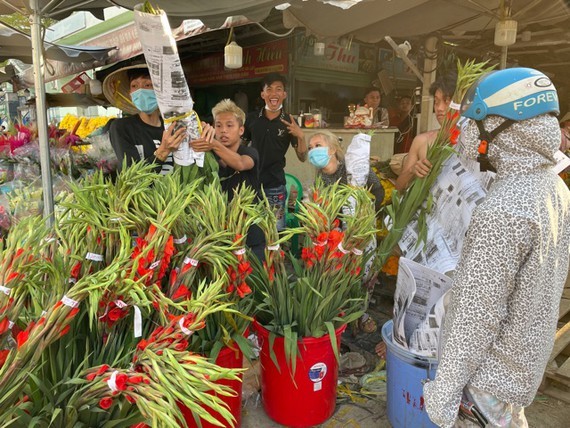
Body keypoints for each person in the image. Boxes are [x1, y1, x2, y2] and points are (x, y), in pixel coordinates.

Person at [423, 67, 570, 427]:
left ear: (501, 127)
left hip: (485, 382)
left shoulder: (504, 210)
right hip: (521, 372)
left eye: (473, 121)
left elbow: (478, 315)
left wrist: (444, 394)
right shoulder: (554, 189)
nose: (465, 133)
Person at [308, 130, 384, 333]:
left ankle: (362, 314)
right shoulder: (319, 178)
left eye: (317, 146)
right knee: (339, 275)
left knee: (364, 274)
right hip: (336, 238)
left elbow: (378, 191)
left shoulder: (354, 169)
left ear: (332, 149)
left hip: (360, 232)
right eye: (310, 148)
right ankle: (341, 314)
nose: (312, 151)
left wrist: (365, 213)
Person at [190, 99, 265, 260]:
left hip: (249, 232)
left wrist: (213, 144)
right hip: (220, 233)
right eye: (218, 125)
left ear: (241, 130)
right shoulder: (208, 158)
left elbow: (240, 163)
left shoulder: (250, 152)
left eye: (229, 125)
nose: (223, 130)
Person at [243, 73, 307, 230]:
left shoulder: (289, 121)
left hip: (275, 186)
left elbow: (302, 157)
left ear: (284, 94)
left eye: (279, 89)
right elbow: (241, 147)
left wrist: (301, 136)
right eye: (269, 89)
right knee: (251, 230)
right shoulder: (251, 119)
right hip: (251, 184)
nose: (274, 93)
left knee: (276, 231)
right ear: (262, 94)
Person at [103, 64, 187, 175]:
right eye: (134, 86)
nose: (140, 91)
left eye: (147, 84)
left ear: (161, 91)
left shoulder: (173, 127)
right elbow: (132, 177)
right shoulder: (121, 127)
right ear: (130, 94)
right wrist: (162, 151)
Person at [395, 74, 457, 192]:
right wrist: (412, 171)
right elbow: (398, 188)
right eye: (436, 102)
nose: (439, 108)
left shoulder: (470, 143)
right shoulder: (421, 141)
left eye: (446, 101)